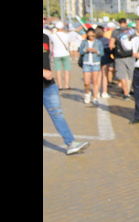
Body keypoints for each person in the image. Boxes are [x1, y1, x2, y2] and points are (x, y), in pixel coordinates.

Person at [44, 19, 89, 155]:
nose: (44, 21)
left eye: (44, 18)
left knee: (57, 113)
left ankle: (70, 143)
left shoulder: (46, 36)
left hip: (48, 86)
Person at [78, 27, 104, 104]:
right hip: (86, 63)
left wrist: (96, 51)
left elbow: (102, 53)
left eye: (92, 35)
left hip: (95, 63)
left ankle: (95, 97)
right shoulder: (84, 42)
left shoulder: (98, 42)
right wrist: (86, 50)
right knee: (87, 82)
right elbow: (80, 51)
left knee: (95, 82)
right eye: (89, 36)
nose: (90, 37)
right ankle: (87, 93)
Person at [112, 18, 135, 100]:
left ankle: (126, 93)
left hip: (119, 56)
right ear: (126, 23)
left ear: (119, 23)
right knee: (131, 74)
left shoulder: (115, 32)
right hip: (130, 55)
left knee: (122, 75)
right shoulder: (131, 31)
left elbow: (111, 44)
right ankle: (130, 90)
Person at [49, 22, 74, 90]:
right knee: (67, 70)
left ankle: (59, 86)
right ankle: (67, 85)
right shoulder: (67, 35)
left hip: (57, 54)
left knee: (58, 70)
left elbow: (51, 46)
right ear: (63, 27)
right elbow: (69, 45)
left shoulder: (52, 36)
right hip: (65, 53)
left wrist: (52, 53)